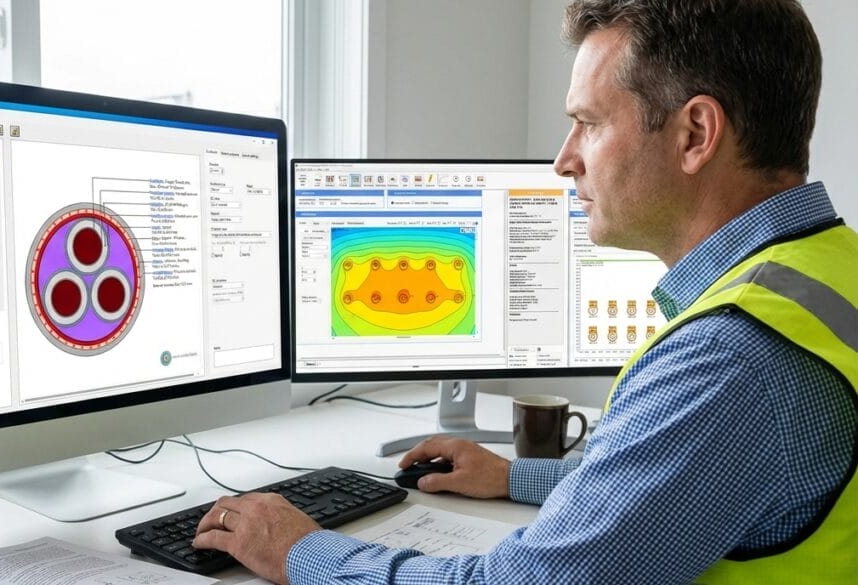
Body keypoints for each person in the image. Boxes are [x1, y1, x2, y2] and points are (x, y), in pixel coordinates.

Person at [191, 0, 858, 582]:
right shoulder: (829, 270)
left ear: (695, 134)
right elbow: (684, 489)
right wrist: (513, 476)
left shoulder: (730, 359)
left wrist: (303, 552)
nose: (565, 158)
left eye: (589, 122)